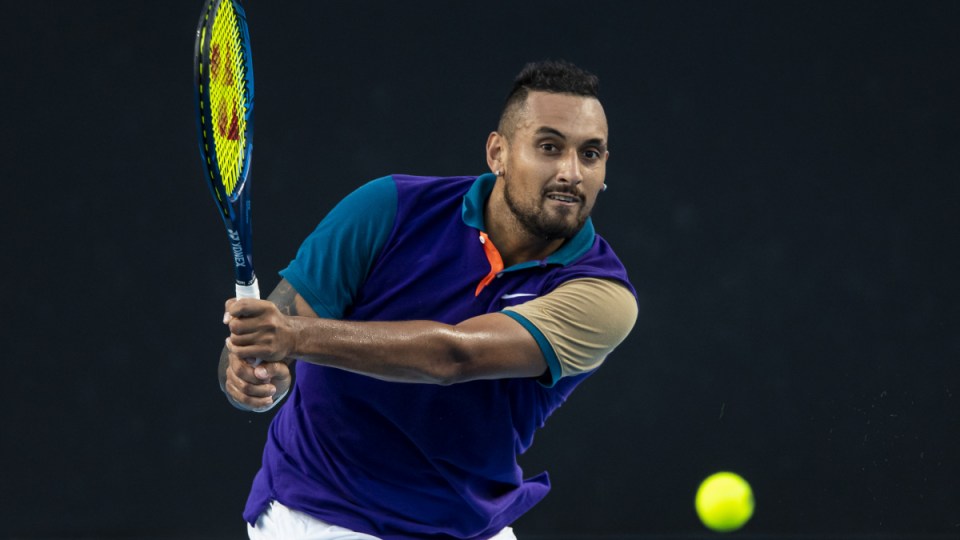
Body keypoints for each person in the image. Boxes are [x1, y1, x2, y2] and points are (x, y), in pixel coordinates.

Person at [220, 60, 638, 540]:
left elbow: (454, 356)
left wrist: (292, 338)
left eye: (591, 154)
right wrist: (250, 377)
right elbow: (263, 348)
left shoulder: (602, 295)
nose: (571, 172)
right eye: (548, 147)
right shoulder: (387, 208)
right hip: (320, 513)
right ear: (497, 153)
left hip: (465, 524)